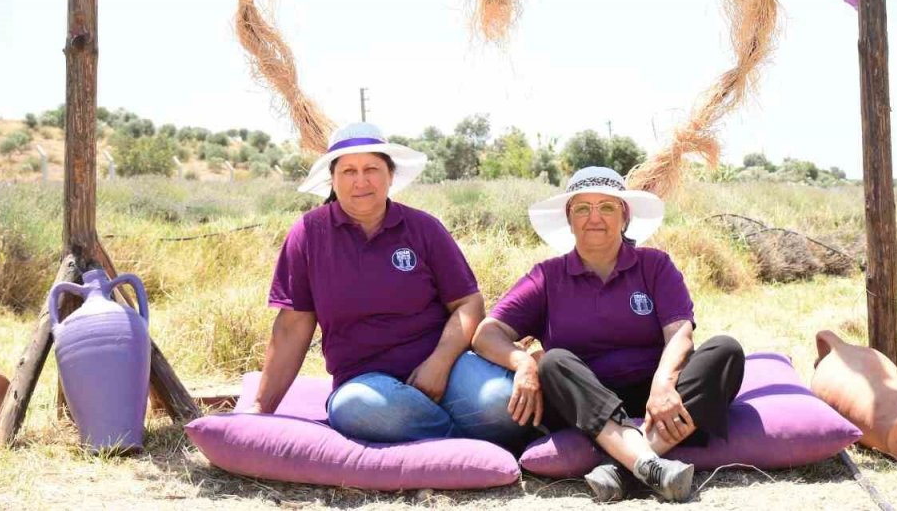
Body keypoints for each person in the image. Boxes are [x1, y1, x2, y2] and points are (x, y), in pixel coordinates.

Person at [472, 166, 745, 502]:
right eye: (582, 208)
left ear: (624, 216)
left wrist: (662, 384)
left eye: (607, 207)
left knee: (725, 351)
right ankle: (648, 463)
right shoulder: (547, 276)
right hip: (583, 401)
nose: (594, 217)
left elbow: (680, 334)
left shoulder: (655, 265)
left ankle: (624, 467)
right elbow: (486, 333)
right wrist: (523, 363)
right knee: (553, 362)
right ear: (569, 219)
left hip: (654, 397)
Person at [244, 122, 526, 446]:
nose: (361, 181)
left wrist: (440, 363)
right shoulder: (308, 234)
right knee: (358, 410)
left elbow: (468, 303)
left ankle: (448, 429)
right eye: (348, 171)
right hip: (366, 382)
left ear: (390, 175)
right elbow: (292, 326)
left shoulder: (424, 228)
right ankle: (465, 437)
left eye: (372, 169)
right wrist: (261, 407)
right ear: (332, 180)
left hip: (443, 365)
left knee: (501, 404)